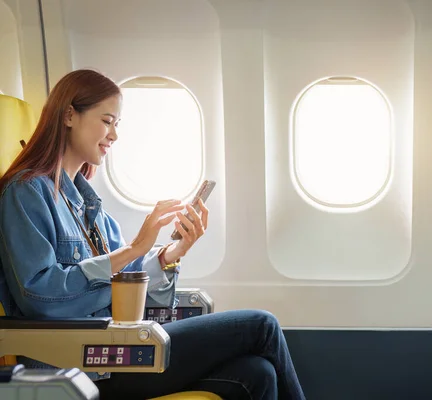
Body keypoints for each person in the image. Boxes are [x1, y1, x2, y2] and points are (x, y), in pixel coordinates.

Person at [0, 69, 306, 400]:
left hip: (117, 350)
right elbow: (41, 298)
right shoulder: (26, 192)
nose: (114, 135)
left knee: (256, 373)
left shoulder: (90, 206)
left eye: (117, 124)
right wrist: (134, 249)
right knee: (262, 326)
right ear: (70, 115)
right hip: (81, 369)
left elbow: (127, 287)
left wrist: (169, 255)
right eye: (107, 121)